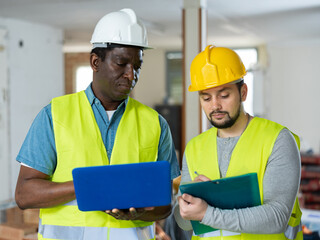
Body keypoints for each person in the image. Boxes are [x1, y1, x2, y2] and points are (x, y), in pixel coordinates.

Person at [15, 8, 180, 240]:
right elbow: (24, 195)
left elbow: (165, 204)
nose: (131, 74)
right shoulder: (55, 115)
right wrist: (91, 184)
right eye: (121, 63)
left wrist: (141, 213)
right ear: (95, 61)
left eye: (137, 66)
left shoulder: (155, 123)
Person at [173, 45, 302, 239]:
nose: (215, 105)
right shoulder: (194, 148)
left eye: (224, 95)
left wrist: (208, 213)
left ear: (243, 92)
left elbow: (277, 217)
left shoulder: (277, 139)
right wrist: (187, 205)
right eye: (206, 98)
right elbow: (184, 223)